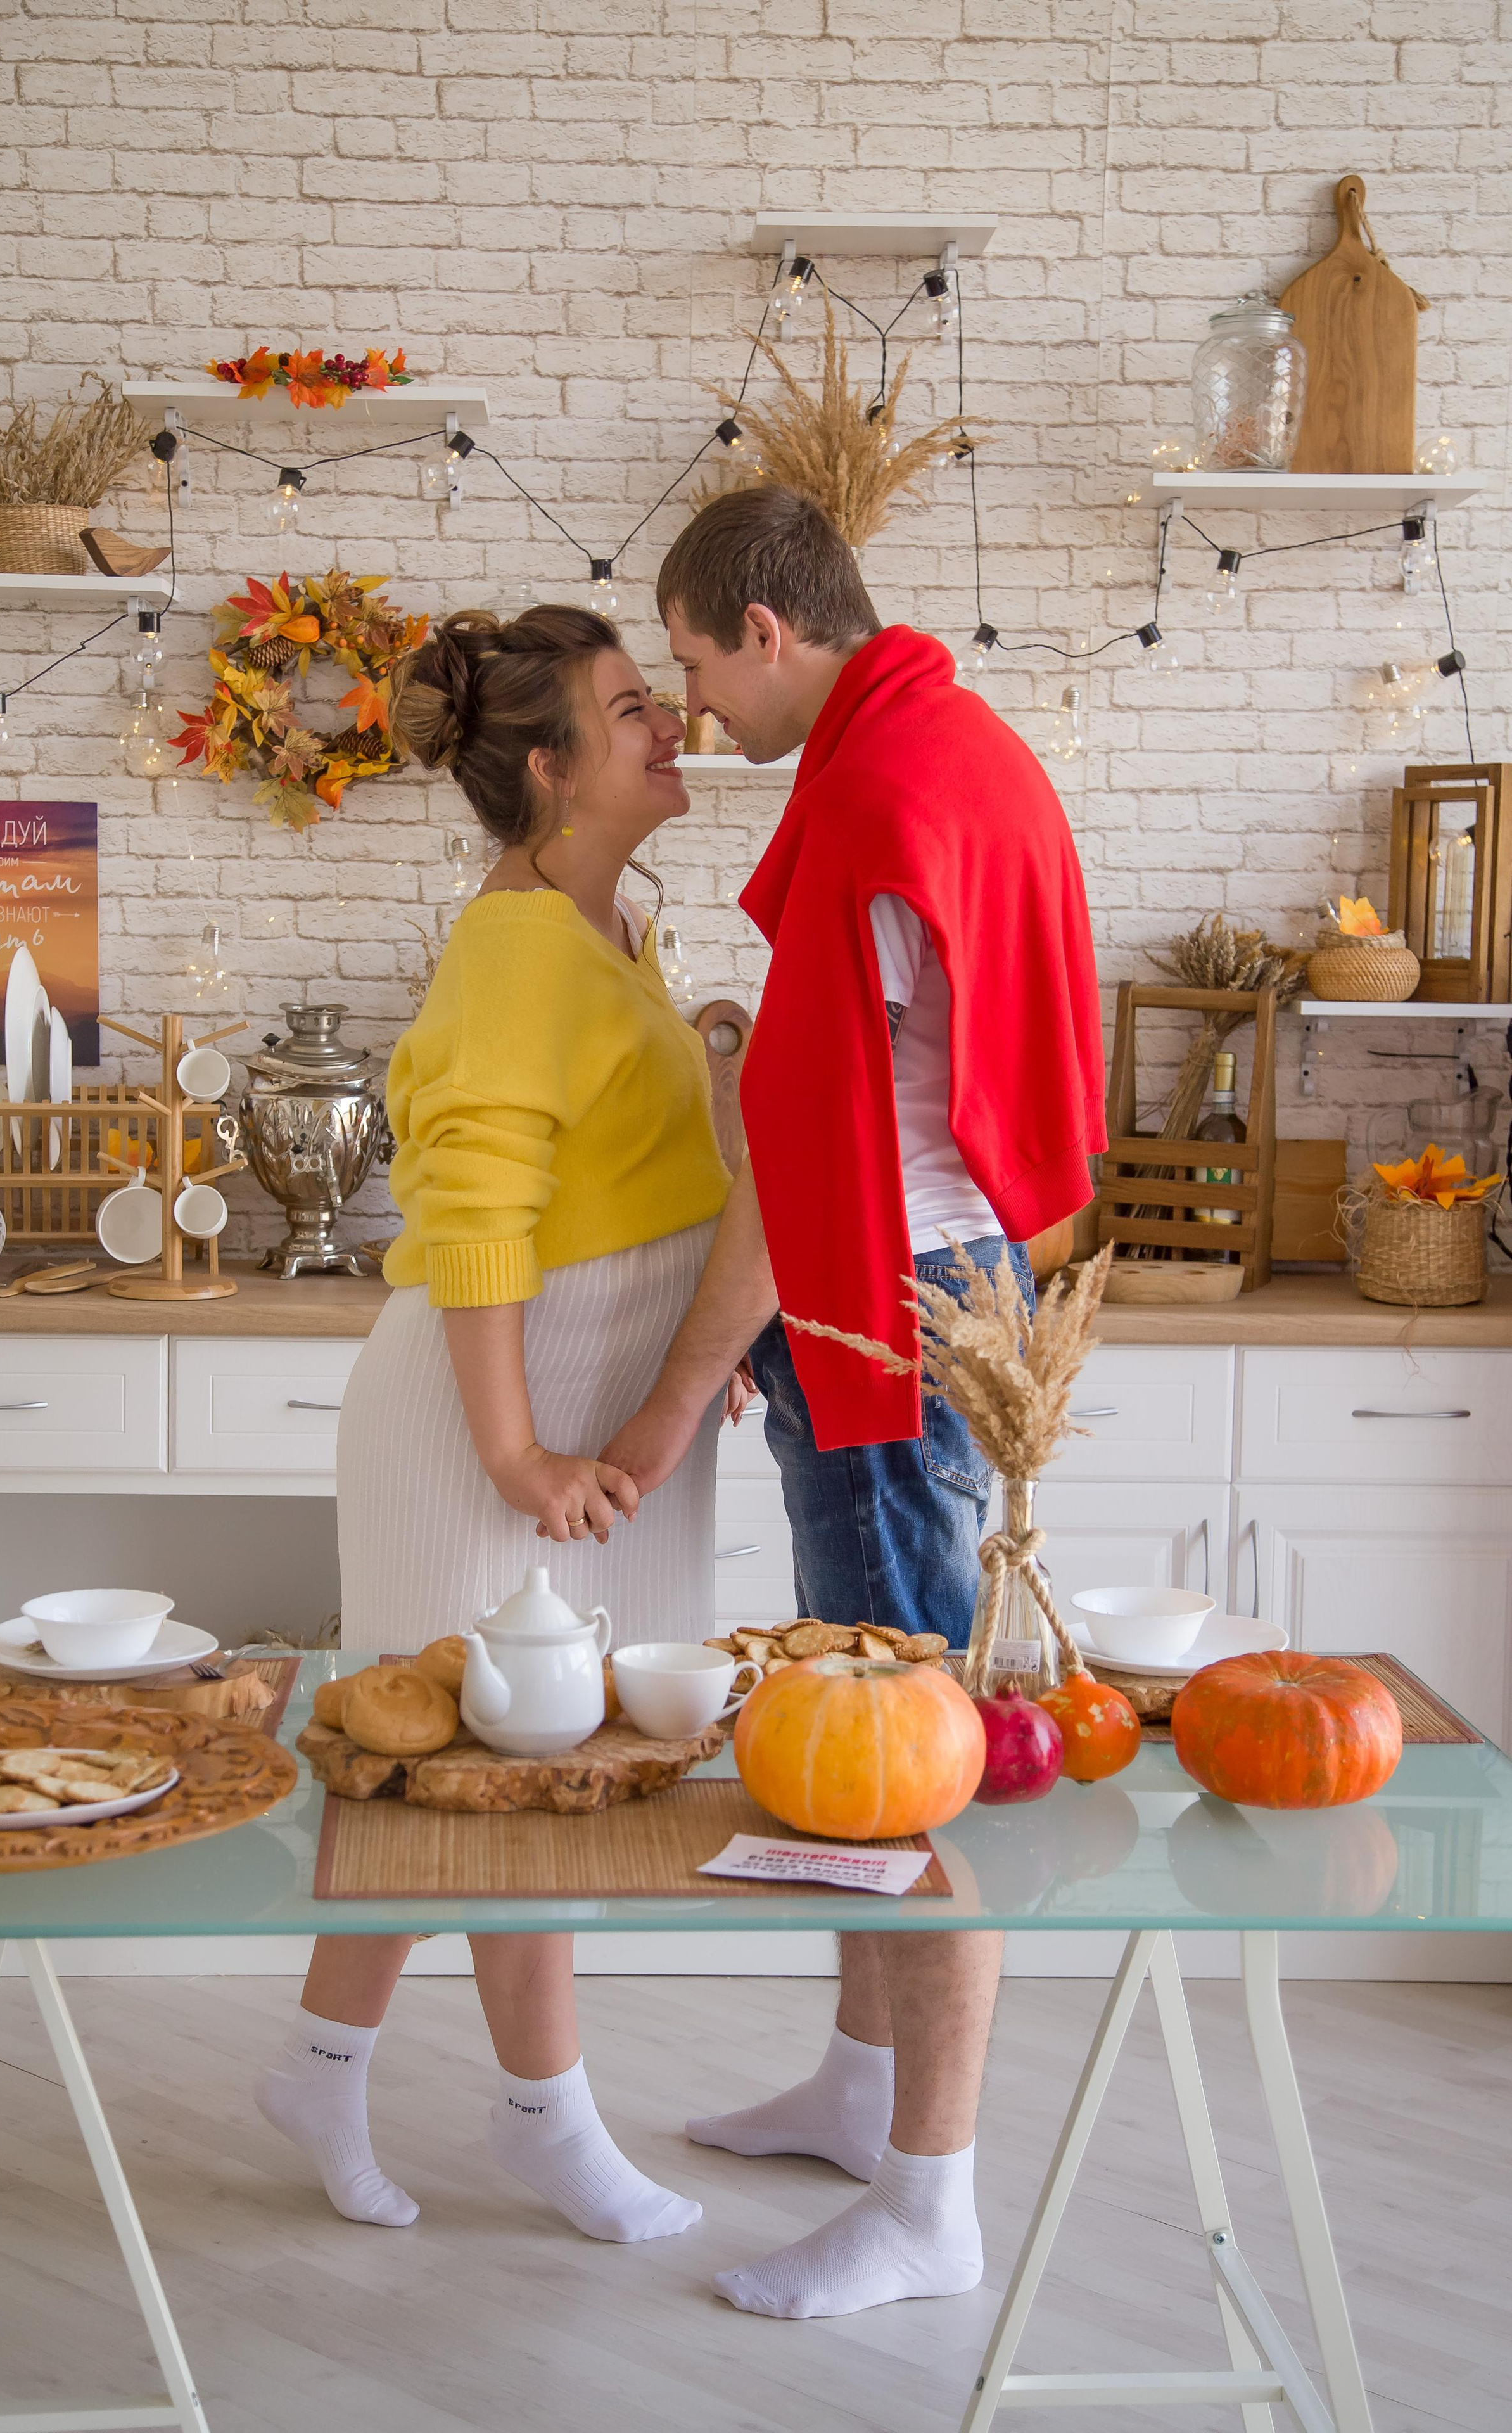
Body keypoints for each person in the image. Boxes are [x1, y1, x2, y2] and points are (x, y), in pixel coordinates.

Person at [600, 485, 1105, 2319]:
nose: (699, 714)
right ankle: (861, 2087)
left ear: (761, 623)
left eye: (693, 668)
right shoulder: (952, 742)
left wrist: (670, 1403)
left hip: (888, 1310)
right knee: (853, 1726)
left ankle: (929, 2205)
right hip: (942, 1280)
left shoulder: (881, 801)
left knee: (898, 1775)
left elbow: (806, 1173)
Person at [257, 604, 738, 2246]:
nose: (668, 721)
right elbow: (471, 1222)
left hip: (567, 1419)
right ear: (549, 768)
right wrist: (518, 1455)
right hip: (485, 1426)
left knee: (451, 1767)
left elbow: (629, 1183)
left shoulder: (605, 934)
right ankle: (549, 2121)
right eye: (628, 709)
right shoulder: (519, 947)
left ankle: (324, 2069)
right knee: (503, 1762)